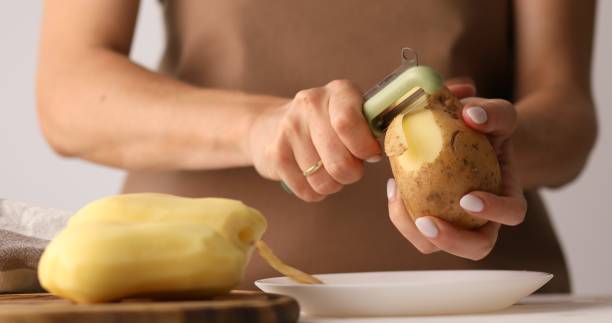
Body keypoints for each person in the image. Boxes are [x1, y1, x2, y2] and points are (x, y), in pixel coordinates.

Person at [36, 0, 597, 293]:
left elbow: (568, 108)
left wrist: (503, 147)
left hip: (481, 306)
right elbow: (67, 93)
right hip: (211, 304)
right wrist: (256, 127)